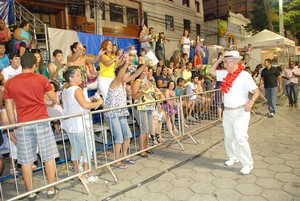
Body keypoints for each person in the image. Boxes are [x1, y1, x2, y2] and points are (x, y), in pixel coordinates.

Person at [3, 52, 59, 199]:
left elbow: (9, 108)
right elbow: (53, 97)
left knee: (26, 160)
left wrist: (14, 125)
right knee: (48, 156)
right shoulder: (41, 79)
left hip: (23, 123)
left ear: (21, 64)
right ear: (35, 65)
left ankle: (30, 192)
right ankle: (51, 188)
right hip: (41, 121)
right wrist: (50, 100)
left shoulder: (10, 83)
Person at [209, 50, 260, 175]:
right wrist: (221, 58)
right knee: (229, 137)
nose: (224, 64)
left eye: (226, 62)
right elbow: (210, 71)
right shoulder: (225, 74)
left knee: (240, 138)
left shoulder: (244, 75)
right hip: (228, 112)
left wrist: (251, 101)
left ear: (233, 62)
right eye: (224, 62)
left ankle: (248, 163)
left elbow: (256, 91)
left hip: (241, 111)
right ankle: (233, 157)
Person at [105, 59, 149, 168]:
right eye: (126, 74)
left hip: (121, 113)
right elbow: (120, 75)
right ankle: (117, 161)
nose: (128, 75)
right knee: (119, 138)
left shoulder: (124, 83)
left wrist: (146, 63)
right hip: (112, 114)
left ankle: (124, 156)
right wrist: (126, 63)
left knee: (128, 135)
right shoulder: (115, 82)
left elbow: (137, 73)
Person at [61, 66, 103, 183]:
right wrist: (98, 102)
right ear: (71, 78)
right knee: (87, 149)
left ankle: (77, 172)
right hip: (78, 124)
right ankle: (86, 174)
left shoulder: (66, 89)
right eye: (78, 75)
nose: (81, 77)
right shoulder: (76, 89)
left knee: (75, 148)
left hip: (69, 123)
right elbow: (84, 105)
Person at [132, 65, 163, 157]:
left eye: (147, 70)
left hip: (149, 107)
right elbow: (134, 96)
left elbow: (153, 94)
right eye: (144, 71)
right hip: (140, 108)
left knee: (148, 128)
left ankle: (146, 147)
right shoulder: (137, 82)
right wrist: (143, 90)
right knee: (144, 129)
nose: (146, 72)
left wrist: (158, 101)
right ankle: (141, 150)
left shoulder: (149, 82)